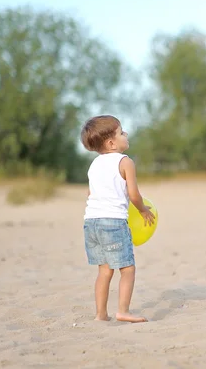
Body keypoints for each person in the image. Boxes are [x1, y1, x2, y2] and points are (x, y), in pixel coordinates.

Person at [80, 115, 155, 322]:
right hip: (113, 222)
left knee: (104, 270)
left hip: (91, 222)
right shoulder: (125, 162)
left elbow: (90, 194)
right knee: (127, 269)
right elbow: (134, 195)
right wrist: (143, 210)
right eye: (122, 132)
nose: (126, 134)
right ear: (112, 143)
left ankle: (100, 314)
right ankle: (123, 310)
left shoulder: (94, 165)